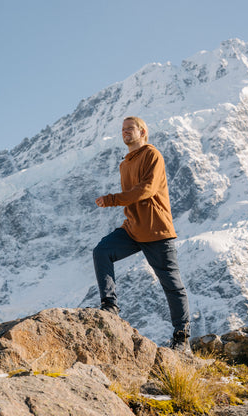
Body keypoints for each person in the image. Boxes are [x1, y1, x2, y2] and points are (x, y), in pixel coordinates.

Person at [93, 116, 191, 352]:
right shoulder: (125, 163)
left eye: (130, 129)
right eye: (123, 130)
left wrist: (112, 200)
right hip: (133, 229)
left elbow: (146, 190)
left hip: (156, 230)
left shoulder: (152, 155)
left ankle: (182, 338)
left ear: (143, 131)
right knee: (102, 252)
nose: (125, 132)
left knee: (172, 285)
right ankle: (109, 305)